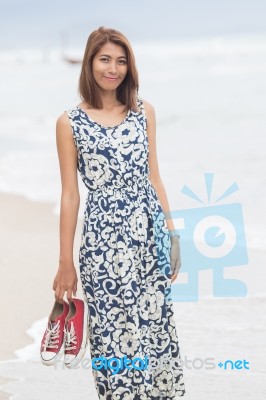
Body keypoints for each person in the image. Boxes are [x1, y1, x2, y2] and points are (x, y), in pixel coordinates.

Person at [53, 26, 185, 399]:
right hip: (103, 246)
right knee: (114, 335)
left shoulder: (144, 112)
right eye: (105, 59)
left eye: (121, 60)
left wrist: (171, 234)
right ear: (90, 63)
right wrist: (66, 261)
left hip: (147, 238)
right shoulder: (69, 123)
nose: (113, 69)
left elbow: (154, 178)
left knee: (154, 328)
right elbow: (69, 196)